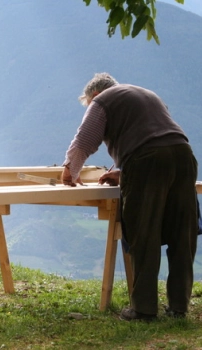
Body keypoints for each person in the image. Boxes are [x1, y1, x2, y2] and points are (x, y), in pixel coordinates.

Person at [62, 72, 198, 321]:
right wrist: (124, 173)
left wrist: (70, 171)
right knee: (182, 233)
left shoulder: (102, 101)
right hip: (183, 155)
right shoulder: (146, 94)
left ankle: (144, 309)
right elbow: (158, 138)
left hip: (146, 160)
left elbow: (85, 140)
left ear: (94, 95)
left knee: (142, 232)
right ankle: (179, 306)